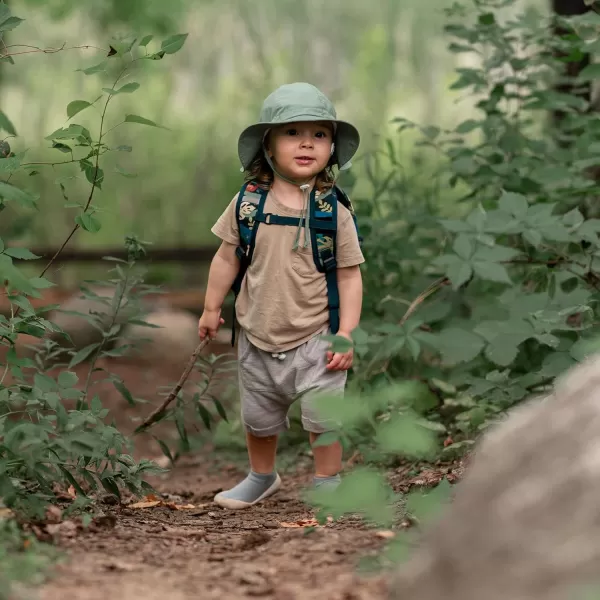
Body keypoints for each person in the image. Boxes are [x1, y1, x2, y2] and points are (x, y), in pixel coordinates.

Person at [198, 82, 364, 510]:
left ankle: (328, 482)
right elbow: (227, 257)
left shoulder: (333, 211)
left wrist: (346, 331)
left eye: (320, 134)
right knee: (259, 418)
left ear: (332, 148)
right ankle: (261, 476)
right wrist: (212, 307)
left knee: (324, 417)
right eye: (292, 132)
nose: (307, 142)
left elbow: (349, 277)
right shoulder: (248, 203)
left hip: (317, 335)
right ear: (267, 144)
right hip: (258, 332)